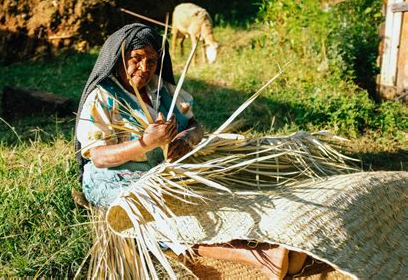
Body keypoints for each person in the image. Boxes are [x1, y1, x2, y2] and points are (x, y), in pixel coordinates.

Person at [74, 23, 306, 279]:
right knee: (159, 220)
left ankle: (269, 246)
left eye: (151, 61)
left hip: (158, 174)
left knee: (208, 199)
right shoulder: (103, 98)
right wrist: (145, 143)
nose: (144, 68)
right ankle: (259, 257)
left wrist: (187, 139)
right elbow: (98, 156)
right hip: (114, 179)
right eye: (136, 59)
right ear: (118, 59)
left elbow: (195, 125)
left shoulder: (161, 91)